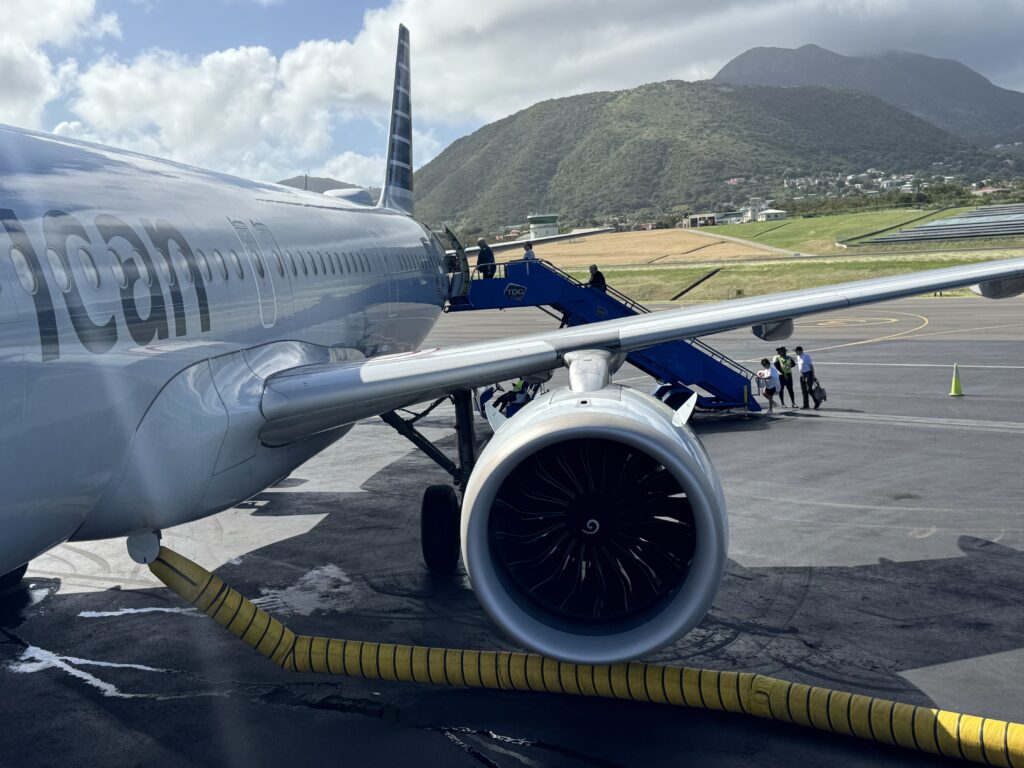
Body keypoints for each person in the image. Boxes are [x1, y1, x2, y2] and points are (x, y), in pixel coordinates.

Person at [794, 345, 821, 409]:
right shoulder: (798, 356)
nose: (795, 352)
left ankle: (817, 401)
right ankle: (806, 405)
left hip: (808, 373)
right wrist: (801, 373)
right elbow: (799, 366)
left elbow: (811, 366)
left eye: (796, 351)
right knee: (804, 391)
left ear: (800, 351)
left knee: (809, 390)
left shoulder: (806, 356)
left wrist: (813, 376)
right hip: (802, 374)